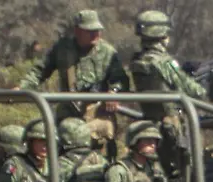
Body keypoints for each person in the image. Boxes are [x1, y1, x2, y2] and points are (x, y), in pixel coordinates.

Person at [18, 9, 130, 147]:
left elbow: (121, 79)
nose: (96, 34)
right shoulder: (62, 49)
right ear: (77, 31)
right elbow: (40, 71)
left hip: (97, 116)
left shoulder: (108, 52)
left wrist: (114, 92)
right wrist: (23, 88)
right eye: (90, 30)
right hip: (67, 115)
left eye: (97, 30)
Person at [126, 11, 204, 182]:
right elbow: (195, 92)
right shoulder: (163, 62)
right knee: (183, 177)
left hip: (152, 123)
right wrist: (200, 82)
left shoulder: (138, 60)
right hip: (172, 128)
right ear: (162, 35)